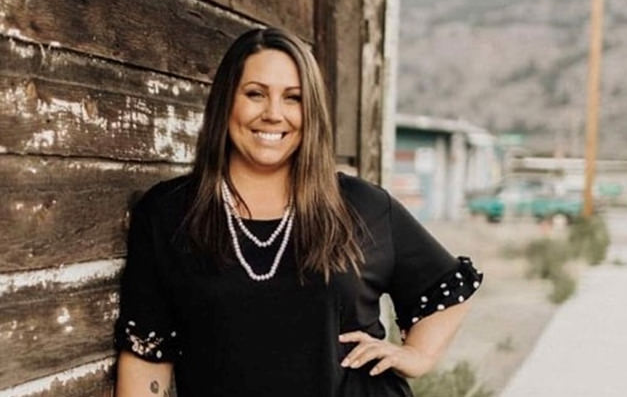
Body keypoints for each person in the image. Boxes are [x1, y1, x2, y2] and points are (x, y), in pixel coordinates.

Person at [113, 27, 483, 397]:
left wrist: (417, 356)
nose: (274, 114)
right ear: (226, 101)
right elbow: (146, 356)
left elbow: (448, 289)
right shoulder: (170, 213)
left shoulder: (361, 206)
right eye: (255, 94)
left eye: (293, 98)